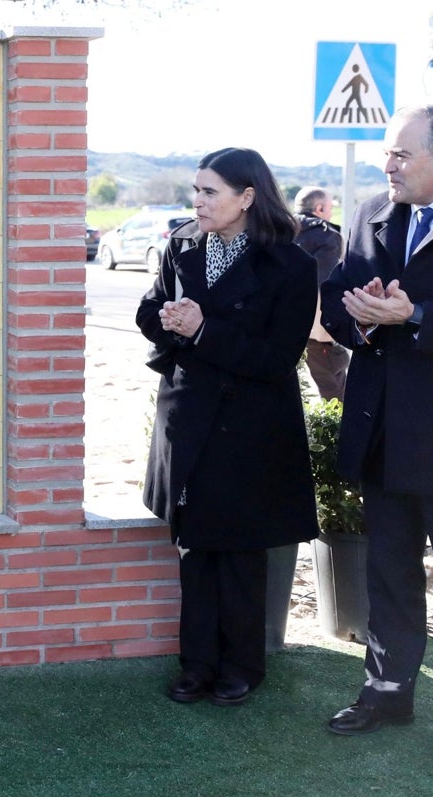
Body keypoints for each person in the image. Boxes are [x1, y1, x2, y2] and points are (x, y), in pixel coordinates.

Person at [319, 105, 433, 773]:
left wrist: (417, 317)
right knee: (386, 574)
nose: (389, 165)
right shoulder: (372, 215)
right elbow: (335, 298)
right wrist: (362, 315)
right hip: (381, 429)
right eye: (387, 154)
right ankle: (386, 691)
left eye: (401, 154)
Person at [136, 147, 318, 708]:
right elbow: (148, 311)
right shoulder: (181, 243)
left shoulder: (291, 264)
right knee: (194, 548)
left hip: (251, 429)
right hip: (189, 417)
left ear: (247, 197)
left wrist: (202, 330)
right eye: (196, 190)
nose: (199, 201)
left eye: (210, 191)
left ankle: (242, 667)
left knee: (240, 551)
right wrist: (168, 321)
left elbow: (277, 357)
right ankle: (196, 666)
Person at [293, 187, 349, 401]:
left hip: (279, 326)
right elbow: (324, 287)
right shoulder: (326, 236)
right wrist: (326, 333)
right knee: (336, 396)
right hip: (316, 333)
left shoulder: (280, 229)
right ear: (319, 208)